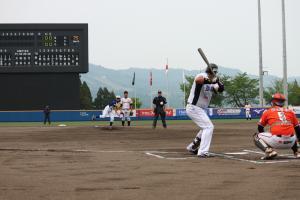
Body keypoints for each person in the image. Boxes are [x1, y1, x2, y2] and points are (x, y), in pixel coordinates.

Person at [186, 64, 224, 157]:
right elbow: (198, 80)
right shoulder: (202, 75)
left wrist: (219, 82)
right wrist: (210, 80)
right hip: (194, 107)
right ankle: (202, 152)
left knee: (205, 127)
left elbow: (221, 89)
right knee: (209, 127)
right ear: (210, 71)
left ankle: (193, 147)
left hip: (200, 109)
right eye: (213, 72)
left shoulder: (214, 82)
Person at [253, 93, 300, 159]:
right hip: (291, 142)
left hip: (276, 141)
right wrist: (298, 141)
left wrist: (267, 141)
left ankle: (269, 151)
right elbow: (297, 128)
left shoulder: (268, 112)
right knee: (294, 132)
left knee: (256, 136)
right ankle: (297, 152)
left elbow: (260, 127)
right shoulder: (290, 111)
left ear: (273, 102)